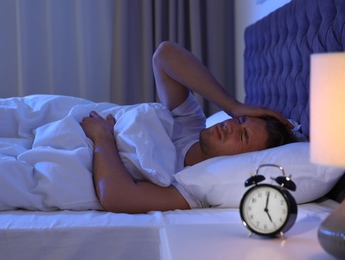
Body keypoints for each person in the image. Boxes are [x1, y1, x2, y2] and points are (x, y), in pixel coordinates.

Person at [80, 41, 295, 214]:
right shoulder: (189, 124)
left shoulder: (192, 187)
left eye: (243, 137)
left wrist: (103, 138)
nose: (230, 127)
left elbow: (116, 197)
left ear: (244, 160)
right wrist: (234, 106)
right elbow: (165, 55)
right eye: (239, 122)